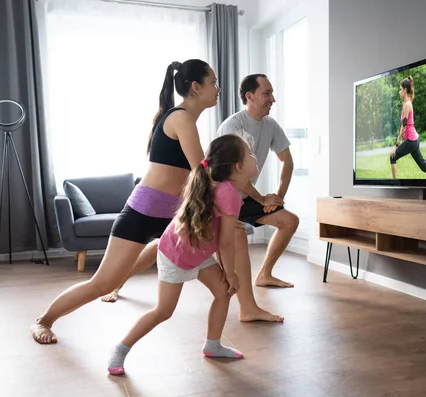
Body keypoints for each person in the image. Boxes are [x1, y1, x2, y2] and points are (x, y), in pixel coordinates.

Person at [31, 59, 223, 344]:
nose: (218, 89)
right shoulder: (180, 118)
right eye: (213, 83)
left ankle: (224, 330)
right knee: (101, 283)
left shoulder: (185, 119)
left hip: (173, 215)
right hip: (142, 212)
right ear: (196, 87)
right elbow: (201, 171)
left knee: (210, 276)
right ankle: (43, 321)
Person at [107, 134, 257, 375]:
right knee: (163, 311)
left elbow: (222, 238)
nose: (254, 157)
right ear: (237, 166)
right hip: (176, 255)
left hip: (197, 251)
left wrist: (229, 277)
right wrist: (232, 274)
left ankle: (213, 345)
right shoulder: (228, 192)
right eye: (250, 154)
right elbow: (227, 244)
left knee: (223, 292)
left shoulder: (224, 187)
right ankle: (120, 349)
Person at [216, 74, 299, 289]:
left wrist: (277, 198)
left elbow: (287, 163)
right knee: (172, 244)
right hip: (220, 199)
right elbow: (233, 175)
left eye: (272, 93)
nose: (272, 99)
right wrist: (261, 198)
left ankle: (264, 274)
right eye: (267, 93)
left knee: (289, 221)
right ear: (249, 96)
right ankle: (117, 282)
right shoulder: (233, 126)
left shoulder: (270, 125)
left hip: (246, 196)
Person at [390, 76, 426, 179]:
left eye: (400, 89)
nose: (399, 92)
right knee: (424, 166)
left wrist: (397, 145)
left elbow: (404, 125)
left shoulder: (407, 104)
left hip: (411, 140)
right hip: (414, 139)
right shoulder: (407, 103)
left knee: (392, 157)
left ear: (405, 90)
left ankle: (394, 184)